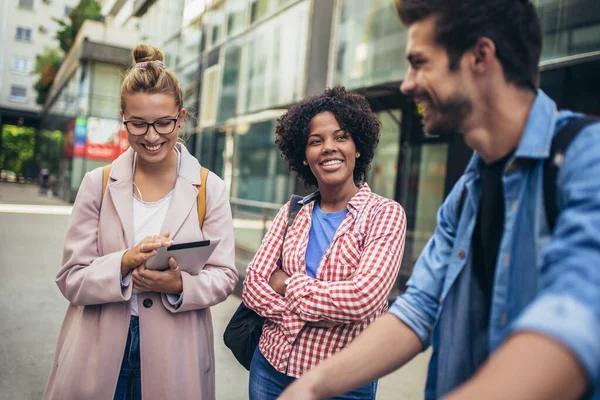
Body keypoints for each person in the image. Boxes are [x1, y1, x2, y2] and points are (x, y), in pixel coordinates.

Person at [280, 0, 600, 399]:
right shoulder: (467, 192)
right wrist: (310, 387)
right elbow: (418, 310)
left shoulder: (588, 160)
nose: (407, 83)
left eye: (419, 63)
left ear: (479, 57)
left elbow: (575, 323)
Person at [44, 44, 238, 400]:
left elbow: (225, 275)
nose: (151, 136)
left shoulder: (210, 188)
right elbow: (70, 277)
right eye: (138, 123)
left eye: (164, 123)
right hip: (98, 351)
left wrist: (179, 284)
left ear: (181, 118)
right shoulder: (97, 184)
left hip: (176, 356)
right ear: (123, 118)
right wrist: (123, 262)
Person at [242, 86, 407, 400]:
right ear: (304, 156)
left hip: (344, 382)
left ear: (358, 148)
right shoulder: (292, 212)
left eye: (341, 137)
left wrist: (287, 284)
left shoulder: (385, 215)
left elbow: (361, 299)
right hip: (270, 370)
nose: (328, 148)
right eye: (315, 141)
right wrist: (326, 308)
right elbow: (252, 285)